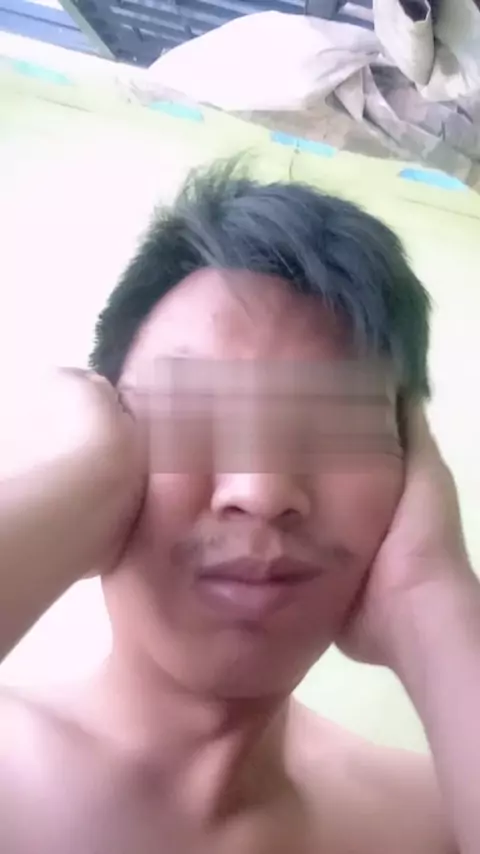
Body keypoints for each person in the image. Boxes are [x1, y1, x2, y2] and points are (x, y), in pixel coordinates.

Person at [1, 162, 478, 854]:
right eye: (192, 413)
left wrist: (432, 601)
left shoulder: (435, 824)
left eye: (336, 426)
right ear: (104, 438)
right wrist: (62, 494)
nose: (261, 492)